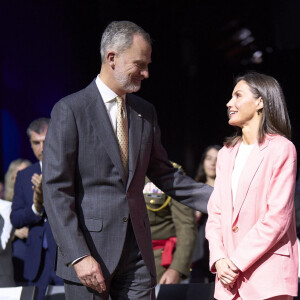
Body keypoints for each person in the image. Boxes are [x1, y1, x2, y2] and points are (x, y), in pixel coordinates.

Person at [42, 20, 212, 300]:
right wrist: (78, 255)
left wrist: (218, 200)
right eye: (139, 64)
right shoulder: (70, 110)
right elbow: (56, 190)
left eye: (148, 65)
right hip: (90, 254)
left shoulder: (146, 112)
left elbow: (164, 174)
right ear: (112, 58)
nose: (146, 73)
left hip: (138, 257)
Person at [206, 71, 298, 300]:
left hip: (267, 279)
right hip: (227, 282)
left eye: (238, 95)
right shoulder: (226, 154)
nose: (229, 103)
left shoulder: (282, 149)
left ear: (260, 102)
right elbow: (215, 214)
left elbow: (277, 217)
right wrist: (219, 258)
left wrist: (236, 261)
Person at [10, 118, 63, 300]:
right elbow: (15, 218)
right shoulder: (24, 176)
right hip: (36, 262)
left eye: (46, 141)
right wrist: (36, 207)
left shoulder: (70, 170)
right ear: (30, 144)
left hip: (66, 258)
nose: (42, 147)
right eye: (36, 143)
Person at [144, 162, 197, 284]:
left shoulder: (170, 175)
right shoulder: (115, 172)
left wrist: (177, 268)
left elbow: (186, 225)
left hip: (158, 265)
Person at [190, 145, 220, 283]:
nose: (213, 163)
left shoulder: (229, 188)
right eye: (209, 158)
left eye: (217, 159)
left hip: (221, 250)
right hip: (197, 251)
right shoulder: (193, 189)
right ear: (203, 162)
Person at [5, 158, 31, 285]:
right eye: (17, 177)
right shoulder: (5, 205)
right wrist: (14, 233)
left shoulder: (36, 205)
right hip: (14, 262)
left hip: (33, 261)